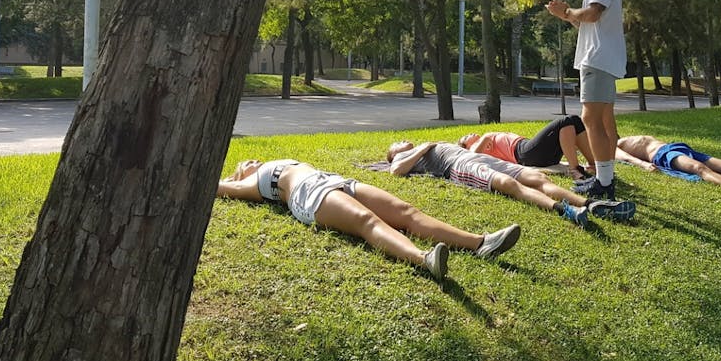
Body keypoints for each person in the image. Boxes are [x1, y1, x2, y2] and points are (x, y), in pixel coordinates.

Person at [216, 158, 523, 281]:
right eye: (245, 165)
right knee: (367, 222)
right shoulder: (249, 183)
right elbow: (217, 188)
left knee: (406, 212)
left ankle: (481, 243)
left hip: (334, 180)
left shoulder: (273, 164)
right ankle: (424, 259)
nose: (251, 162)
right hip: (307, 194)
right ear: (240, 174)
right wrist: (235, 177)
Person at [546, 0, 626, 200]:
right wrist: (566, 15)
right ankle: (606, 178)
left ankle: (604, 183)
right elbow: (588, 24)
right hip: (602, 57)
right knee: (604, 120)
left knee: (590, 119)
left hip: (598, 58)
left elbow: (592, 14)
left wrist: (568, 12)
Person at [386, 141, 635, 226]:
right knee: (506, 183)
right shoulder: (402, 156)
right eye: (396, 143)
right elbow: (396, 171)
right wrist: (423, 148)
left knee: (536, 177)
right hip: (459, 167)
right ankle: (563, 210)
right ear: (393, 152)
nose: (402, 140)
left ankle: (591, 204)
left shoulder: (420, 147)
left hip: (475, 157)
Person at [458, 115, 596, 180]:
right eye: (466, 137)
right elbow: (472, 156)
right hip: (523, 154)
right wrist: (485, 137)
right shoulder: (475, 147)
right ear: (466, 145)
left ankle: (593, 164)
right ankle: (575, 170)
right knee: (566, 121)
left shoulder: (482, 141)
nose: (470, 134)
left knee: (574, 122)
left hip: (532, 150)